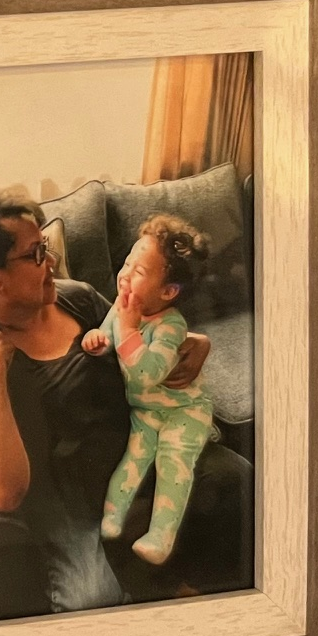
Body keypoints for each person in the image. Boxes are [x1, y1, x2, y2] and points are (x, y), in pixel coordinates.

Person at [0, 185, 250, 613]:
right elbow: (3, 493)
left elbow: (140, 333)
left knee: (238, 481)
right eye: (34, 255)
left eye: (44, 247)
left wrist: (196, 341)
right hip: (74, 508)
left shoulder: (76, 297)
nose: (49, 262)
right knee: (94, 599)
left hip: (142, 454)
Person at [83, 215, 217, 565]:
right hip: (145, 411)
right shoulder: (121, 308)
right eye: (127, 263)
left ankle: (161, 537)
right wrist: (96, 339)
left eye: (139, 272)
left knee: (172, 464)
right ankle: (112, 520)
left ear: (168, 291)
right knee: (133, 459)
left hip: (184, 412)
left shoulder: (172, 326)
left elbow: (146, 374)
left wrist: (126, 329)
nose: (125, 274)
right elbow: (107, 337)